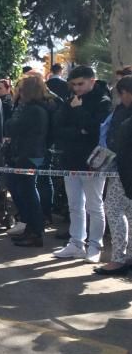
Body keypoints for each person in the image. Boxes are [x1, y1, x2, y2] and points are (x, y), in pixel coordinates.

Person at [51, 65, 112, 262]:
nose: (77, 88)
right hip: (71, 159)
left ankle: (95, 245)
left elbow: (95, 130)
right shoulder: (70, 99)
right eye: (74, 84)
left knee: (94, 205)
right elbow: (58, 127)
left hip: (93, 162)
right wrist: (79, 131)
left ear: (92, 81)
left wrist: (78, 114)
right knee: (74, 205)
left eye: (81, 84)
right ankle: (76, 243)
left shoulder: (103, 101)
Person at [4, 76, 50, 247]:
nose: (18, 92)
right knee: (24, 192)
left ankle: (35, 231)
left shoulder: (33, 110)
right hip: (29, 154)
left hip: (28, 155)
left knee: (28, 194)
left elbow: (12, 127)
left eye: (21, 89)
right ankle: (31, 229)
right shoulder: (35, 108)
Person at [95, 76, 132, 275]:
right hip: (123, 169)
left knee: (114, 210)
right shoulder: (121, 110)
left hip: (123, 170)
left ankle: (118, 258)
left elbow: (119, 141)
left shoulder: (123, 113)